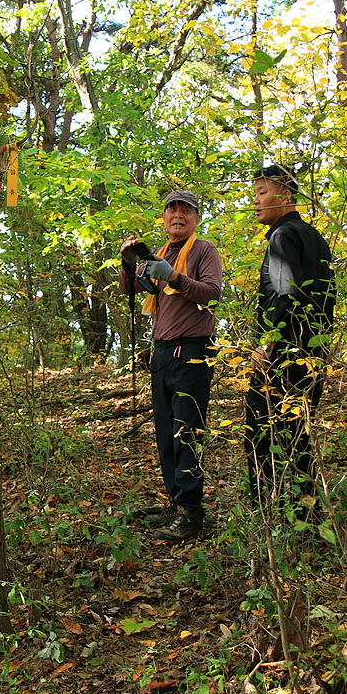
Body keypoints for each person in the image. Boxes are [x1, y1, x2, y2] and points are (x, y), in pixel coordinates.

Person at [120, 188, 223, 542]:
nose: (178, 215)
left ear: (196, 218)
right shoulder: (160, 253)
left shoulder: (204, 250)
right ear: (163, 218)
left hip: (192, 351)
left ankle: (191, 513)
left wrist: (174, 276)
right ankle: (176, 502)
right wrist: (129, 264)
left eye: (185, 210)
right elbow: (134, 290)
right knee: (165, 431)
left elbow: (212, 293)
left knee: (186, 431)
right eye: (172, 210)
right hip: (162, 353)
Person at [244, 164, 335, 521]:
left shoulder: (282, 236)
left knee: (262, 435)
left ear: (285, 195)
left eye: (262, 192)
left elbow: (286, 294)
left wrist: (265, 345)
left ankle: (268, 520)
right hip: (312, 354)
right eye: (254, 194)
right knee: (296, 438)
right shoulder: (315, 237)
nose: (255, 201)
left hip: (283, 357)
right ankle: (305, 520)